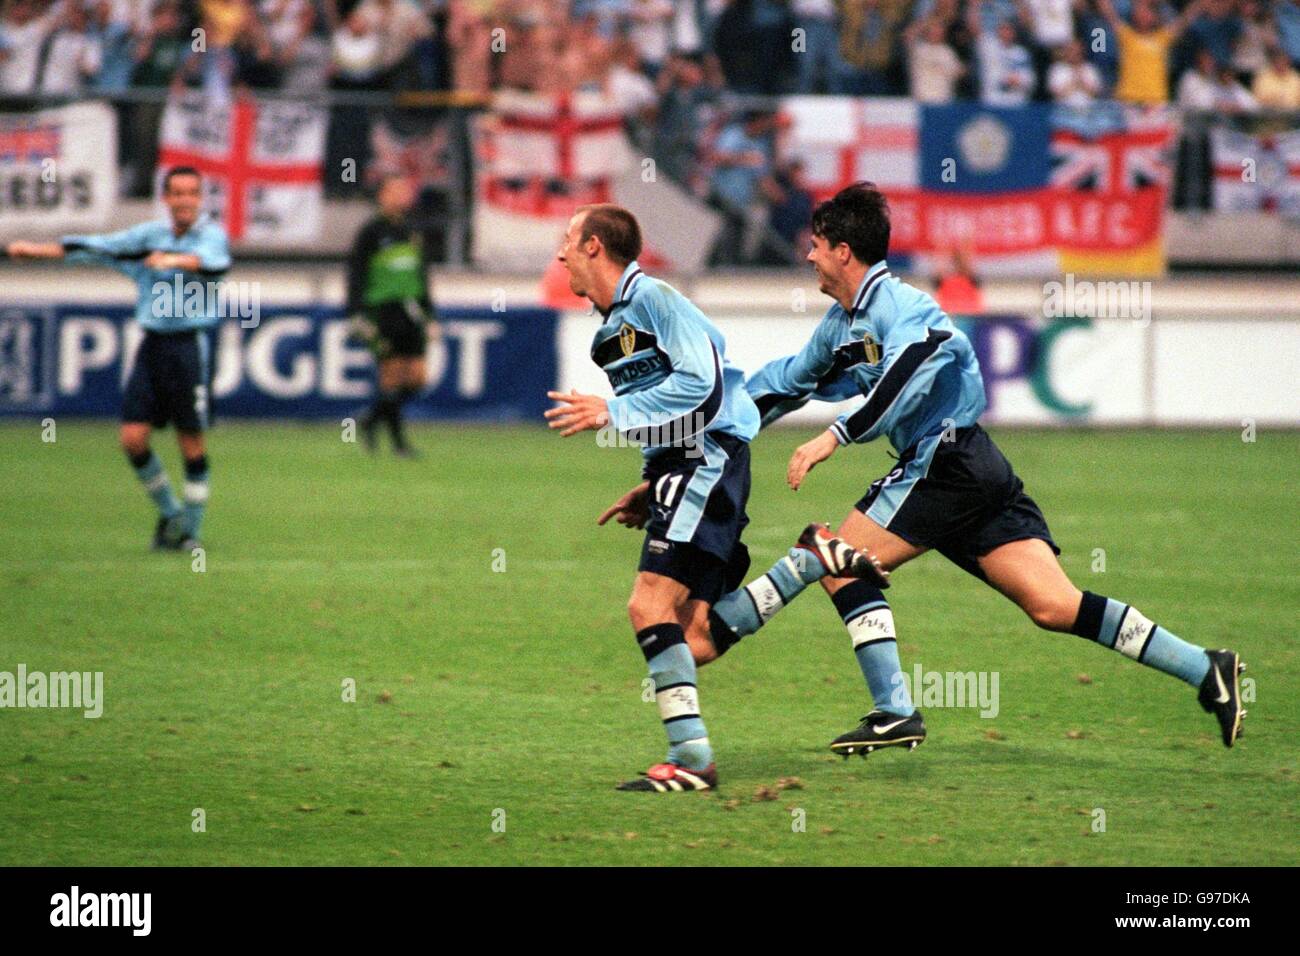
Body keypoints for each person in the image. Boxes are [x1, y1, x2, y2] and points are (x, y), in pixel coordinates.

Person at [721, 182, 1248, 753]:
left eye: (817, 244)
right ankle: (1205, 668)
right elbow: (783, 383)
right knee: (1054, 605)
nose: (809, 255)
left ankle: (894, 710)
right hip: (972, 468)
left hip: (945, 461)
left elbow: (907, 372)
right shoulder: (839, 327)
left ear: (844, 251)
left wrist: (836, 434)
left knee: (838, 559)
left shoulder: (905, 308)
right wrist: (715, 434)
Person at [545, 203, 882, 792]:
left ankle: (692, 762)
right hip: (692, 465)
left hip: (707, 461)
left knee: (646, 606)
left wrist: (614, 412)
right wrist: (654, 483)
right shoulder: (612, 330)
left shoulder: (653, 300)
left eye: (568, 240)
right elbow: (675, 403)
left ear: (595, 246)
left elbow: (704, 386)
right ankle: (806, 563)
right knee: (692, 637)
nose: (560, 253)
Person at [4, 166, 231, 551]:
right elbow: (96, 247)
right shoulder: (148, 238)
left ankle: (190, 534)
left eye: (192, 193)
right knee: (132, 439)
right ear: (167, 198)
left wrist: (173, 261)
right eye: (177, 193)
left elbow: (213, 263)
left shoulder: (210, 236)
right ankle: (171, 514)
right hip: (153, 346)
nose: (185, 200)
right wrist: (39, 250)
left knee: (190, 441)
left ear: (200, 198)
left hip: (189, 348)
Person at [346, 174, 437, 457]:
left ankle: (371, 420)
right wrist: (357, 312)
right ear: (382, 195)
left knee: (418, 379)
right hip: (383, 311)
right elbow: (356, 275)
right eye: (395, 190)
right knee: (392, 376)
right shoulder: (371, 232)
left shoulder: (411, 230)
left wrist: (430, 314)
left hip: (411, 311)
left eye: (405, 190)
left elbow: (422, 275)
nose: (402, 195)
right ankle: (399, 444)